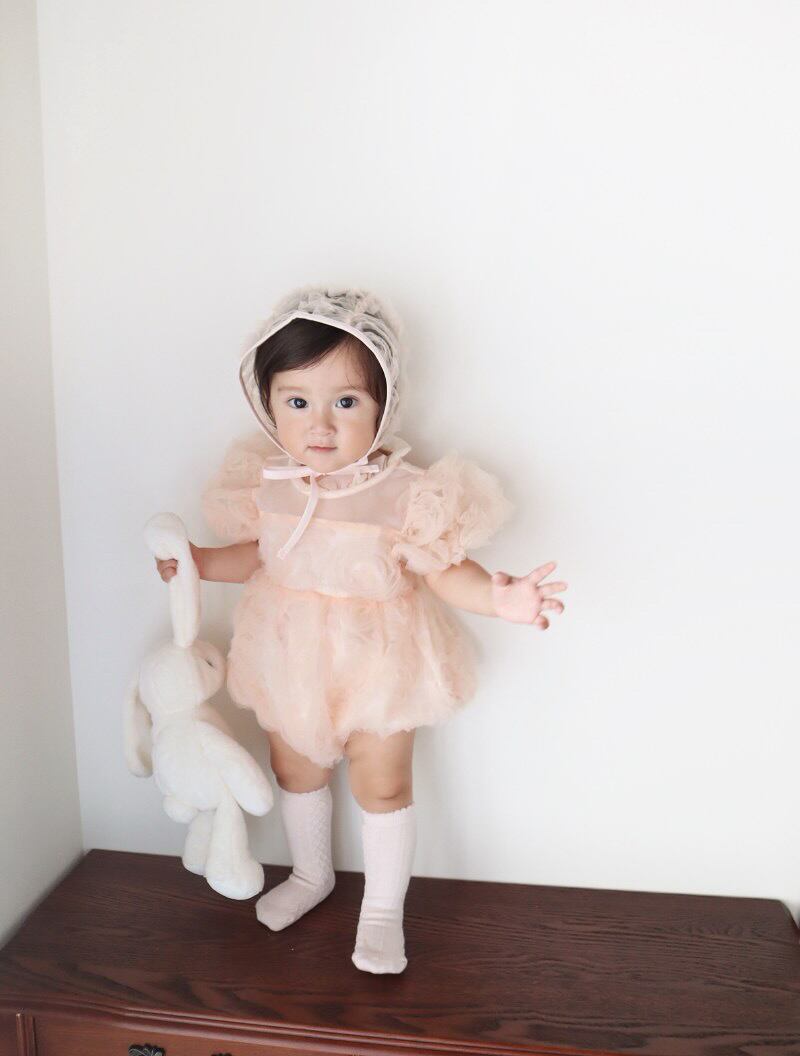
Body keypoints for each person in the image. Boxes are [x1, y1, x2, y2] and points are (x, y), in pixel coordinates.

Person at [155, 285, 568, 974]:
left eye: (345, 402)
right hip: (289, 658)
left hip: (380, 664)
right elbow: (258, 555)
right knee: (295, 769)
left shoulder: (402, 493)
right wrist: (196, 563)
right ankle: (311, 874)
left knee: (382, 783)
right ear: (269, 405)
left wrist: (501, 600)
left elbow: (444, 569)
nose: (320, 424)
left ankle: (381, 911)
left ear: (382, 404)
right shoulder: (271, 484)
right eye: (297, 402)